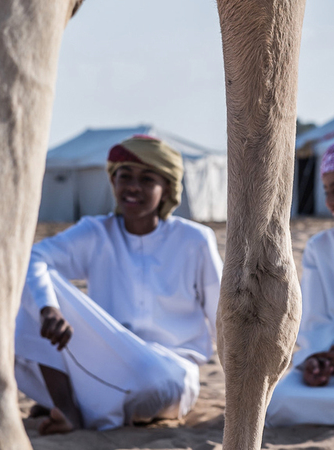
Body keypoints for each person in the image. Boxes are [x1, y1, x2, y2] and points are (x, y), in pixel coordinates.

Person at [14, 135, 223, 434]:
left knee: (149, 381)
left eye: (147, 179)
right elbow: (34, 258)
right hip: (106, 358)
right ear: (113, 183)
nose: (133, 187)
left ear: (166, 189)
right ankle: (69, 409)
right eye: (124, 176)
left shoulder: (195, 241)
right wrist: (49, 309)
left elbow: (222, 319)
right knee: (36, 284)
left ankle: (78, 404)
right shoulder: (95, 232)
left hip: (171, 370)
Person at [265, 140, 334, 427]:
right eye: (327, 192)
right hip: (333, 373)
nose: (329, 203)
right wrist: (317, 361)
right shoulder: (320, 246)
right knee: (279, 401)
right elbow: (315, 320)